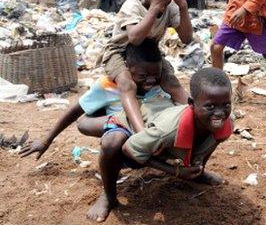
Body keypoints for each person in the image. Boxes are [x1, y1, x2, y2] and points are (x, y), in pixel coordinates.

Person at [86, 67, 234, 222]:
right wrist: (175, 171)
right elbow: (129, 149)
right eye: (210, 106)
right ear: (191, 103)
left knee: (212, 133)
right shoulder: (167, 130)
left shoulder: (226, 122)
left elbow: (211, 140)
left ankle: (198, 173)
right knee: (111, 145)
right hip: (132, 128)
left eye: (226, 105)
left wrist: (197, 166)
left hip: (159, 127)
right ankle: (108, 196)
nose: (220, 113)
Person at [19, 39, 172, 159]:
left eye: (156, 75)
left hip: (151, 140)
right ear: (127, 68)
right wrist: (47, 140)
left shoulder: (161, 85)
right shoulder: (108, 85)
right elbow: (76, 110)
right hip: (123, 139)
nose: (151, 81)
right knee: (115, 139)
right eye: (143, 76)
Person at [100, 0, 193, 134]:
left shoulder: (170, 7)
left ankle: (196, 115)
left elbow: (187, 38)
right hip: (121, 51)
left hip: (149, 52)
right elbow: (134, 38)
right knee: (127, 85)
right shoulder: (133, 5)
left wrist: (183, 6)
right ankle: (141, 133)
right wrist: (155, 7)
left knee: (171, 81)